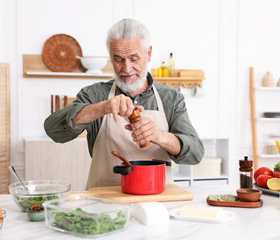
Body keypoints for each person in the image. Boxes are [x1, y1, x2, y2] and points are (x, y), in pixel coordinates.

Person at [44, 18, 204, 189]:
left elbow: (195, 154)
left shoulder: (171, 98)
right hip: (105, 202)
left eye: (134, 59)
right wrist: (103, 107)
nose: (126, 69)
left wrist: (159, 136)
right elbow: (53, 130)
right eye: (118, 59)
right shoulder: (95, 94)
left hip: (156, 201)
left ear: (148, 53)